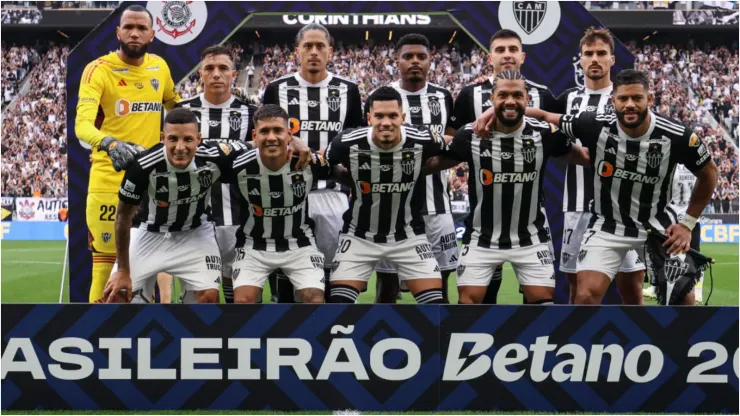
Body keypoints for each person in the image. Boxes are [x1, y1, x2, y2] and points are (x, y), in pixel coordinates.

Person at [522, 69, 718, 305]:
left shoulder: (677, 135)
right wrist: (493, 111)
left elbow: (709, 174)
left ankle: (675, 342)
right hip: (607, 224)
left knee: (683, 298)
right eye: (623, 99)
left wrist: (687, 224)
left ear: (650, 99)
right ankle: (585, 342)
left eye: (637, 98)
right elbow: (544, 116)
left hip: (655, 223)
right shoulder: (593, 124)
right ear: (613, 100)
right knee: (585, 296)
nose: (630, 105)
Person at [425, 70, 590, 304]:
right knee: (467, 306)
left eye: (517, 95)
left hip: (531, 238)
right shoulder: (471, 135)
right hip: (482, 238)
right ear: (492, 100)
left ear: (527, 99)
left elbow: (583, 157)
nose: (510, 101)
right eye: (503, 95)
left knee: (543, 305)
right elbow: (434, 163)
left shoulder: (545, 134)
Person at [75, 4, 180, 303]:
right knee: (105, 266)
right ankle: (95, 336)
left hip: (153, 183)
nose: (134, 33)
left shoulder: (159, 67)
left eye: (141, 28)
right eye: (129, 27)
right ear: (118, 31)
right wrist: (111, 144)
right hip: (109, 181)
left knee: (159, 262)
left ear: (152, 34)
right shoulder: (98, 70)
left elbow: (175, 105)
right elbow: (82, 125)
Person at [451, 29, 558, 304]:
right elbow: (455, 141)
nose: (507, 54)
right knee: (485, 291)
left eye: (513, 49)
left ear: (522, 56)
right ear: (490, 57)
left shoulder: (544, 94)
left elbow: (555, 132)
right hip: (484, 207)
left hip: (530, 207)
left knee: (535, 294)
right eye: (500, 49)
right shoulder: (468, 94)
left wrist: (490, 113)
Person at [263, 23, 363, 302]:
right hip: (287, 193)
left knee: (330, 277)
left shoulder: (349, 89)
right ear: (297, 51)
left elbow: (357, 144)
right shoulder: (276, 88)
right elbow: (261, 137)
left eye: (320, 46)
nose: (314, 52)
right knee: (287, 276)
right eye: (308, 46)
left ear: (330, 51)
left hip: (332, 194)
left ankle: (329, 336)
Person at [325, 87, 448, 304]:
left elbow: (454, 149)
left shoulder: (423, 139)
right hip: (358, 236)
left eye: (392, 116)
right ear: (369, 118)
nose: (386, 122)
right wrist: (354, 179)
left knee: (435, 306)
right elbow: (322, 162)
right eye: (379, 116)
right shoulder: (346, 142)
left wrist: (424, 169)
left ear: (403, 117)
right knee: (338, 306)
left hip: (409, 237)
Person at [553, 27, 646, 304]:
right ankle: (577, 346)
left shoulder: (626, 99)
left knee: (631, 288)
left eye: (601, 53)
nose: (595, 59)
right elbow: (554, 146)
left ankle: (640, 345)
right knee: (577, 289)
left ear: (612, 60)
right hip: (578, 206)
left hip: (623, 209)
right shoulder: (566, 101)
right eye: (589, 53)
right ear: (579, 60)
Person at [103, 108, 232, 304]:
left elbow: (254, 147)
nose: (180, 147)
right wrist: (122, 270)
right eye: (173, 139)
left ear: (199, 138)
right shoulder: (143, 165)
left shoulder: (215, 157)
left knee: (209, 298)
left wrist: (294, 144)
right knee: (117, 295)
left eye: (188, 139)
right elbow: (122, 216)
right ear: (163, 138)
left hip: (195, 233)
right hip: (149, 233)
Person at [367, 33, 459, 304]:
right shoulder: (381, 97)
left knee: (439, 288)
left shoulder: (443, 97)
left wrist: (419, 168)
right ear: (397, 60)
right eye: (408, 56)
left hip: (437, 206)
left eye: (421, 56)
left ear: (431, 61)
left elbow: (452, 149)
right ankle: (380, 340)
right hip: (391, 211)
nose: (415, 61)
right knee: (386, 289)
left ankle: (438, 344)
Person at [176, 45, 256, 304]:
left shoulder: (251, 113)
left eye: (223, 68)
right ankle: (191, 343)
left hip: (240, 217)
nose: (216, 74)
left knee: (240, 298)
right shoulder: (182, 113)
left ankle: (238, 343)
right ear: (200, 74)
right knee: (201, 296)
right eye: (209, 69)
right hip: (195, 219)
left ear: (234, 74)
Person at [229, 105, 332, 304]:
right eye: (264, 131)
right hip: (253, 245)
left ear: (289, 134)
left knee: (314, 299)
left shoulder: (308, 161)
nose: (271, 137)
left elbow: (338, 168)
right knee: (243, 303)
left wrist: (307, 147)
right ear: (254, 135)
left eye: (278, 130)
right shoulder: (237, 165)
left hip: (299, 243)